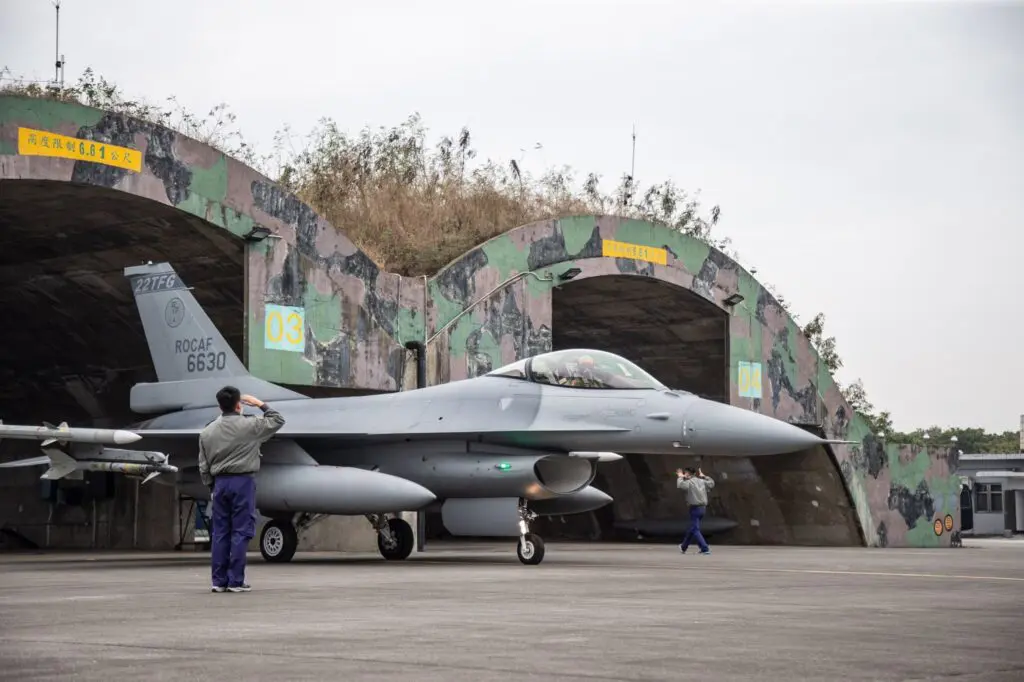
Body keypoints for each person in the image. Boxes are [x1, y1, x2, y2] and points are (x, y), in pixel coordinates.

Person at [199, 386, 286, 593]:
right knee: (241, 531)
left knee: (220, 532)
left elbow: (203, 466)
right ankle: (235, 581)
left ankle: (218, 582)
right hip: (243, 482)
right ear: (239, 405)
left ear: (220, 406)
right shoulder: (251, 425)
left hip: (219, 484)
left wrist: (211, 486)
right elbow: (278, 420)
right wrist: (259, 404)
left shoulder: (207, 431)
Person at [676, 466, 715, 555]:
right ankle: (683, 546)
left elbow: (681, 485)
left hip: (695, 508)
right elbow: (712, 483)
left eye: (685, 473)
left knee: (695, 529)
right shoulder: (702, 481)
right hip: (703, 508)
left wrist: (680, 477)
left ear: (687, 473)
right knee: (693, 528)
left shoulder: (689, 483)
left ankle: (705, 548)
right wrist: (704, 476)